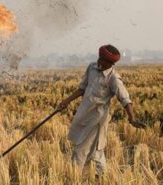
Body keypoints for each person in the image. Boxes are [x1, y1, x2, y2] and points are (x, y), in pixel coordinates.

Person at [58, 44, 146, 174]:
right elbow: (82, 88)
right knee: (96, 151)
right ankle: (104, 176)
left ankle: (73, 176)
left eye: (103, 60)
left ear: (110, 63)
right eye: (99, 58)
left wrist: (132, 118)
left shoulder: (113, 78)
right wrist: (67, 101)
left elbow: (125, 100)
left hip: (96, 119)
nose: (99, 61)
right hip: (84, 113)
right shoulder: (92, 68)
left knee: (80, 149)